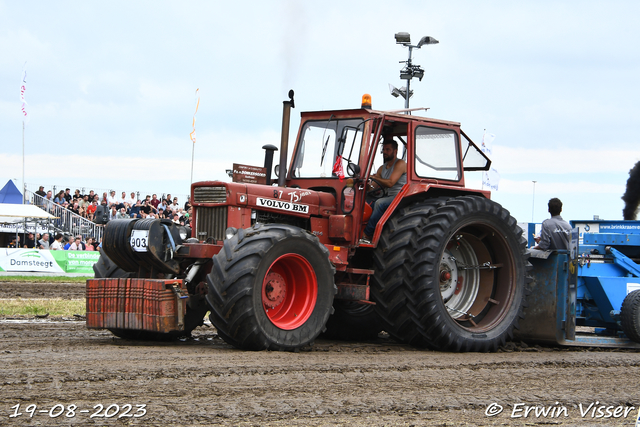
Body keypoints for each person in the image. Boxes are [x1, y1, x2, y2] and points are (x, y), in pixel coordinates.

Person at [361, 138, 407, 242]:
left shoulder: (400, 164)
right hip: (387, 195)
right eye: (384, 149)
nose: (385, 152)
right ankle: (359, 229)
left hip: (400, 196)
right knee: (366, 203)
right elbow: (373, 186)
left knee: (380, 203)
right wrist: (368, 185)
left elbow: (390, 183)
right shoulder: (382, 168)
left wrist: (375, 178)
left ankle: (367, 234)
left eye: (388, 150)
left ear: (395, 151)